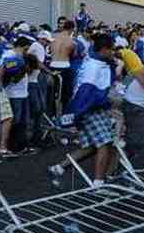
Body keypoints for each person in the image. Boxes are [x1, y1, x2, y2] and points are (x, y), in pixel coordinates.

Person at [49, 34, 117, 188]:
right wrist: (77, 114)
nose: (113, 52)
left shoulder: (94, 62)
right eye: (111, 49)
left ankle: (60, 167)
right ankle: (99, 182)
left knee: (91, 146)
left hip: (91, 107)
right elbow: (86, 91)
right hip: (90, 109)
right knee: (104, 143)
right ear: (104, 49)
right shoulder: (94, 66)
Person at [50, 20, 76, 110]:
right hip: (65, 66)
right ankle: (64, 113)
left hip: (53, 65)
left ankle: (52, 114)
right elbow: (73, 55)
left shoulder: (53, 37)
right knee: (66, 93)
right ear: (72, 29)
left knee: (53, 92)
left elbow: (49, 51)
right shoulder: (71, 41)